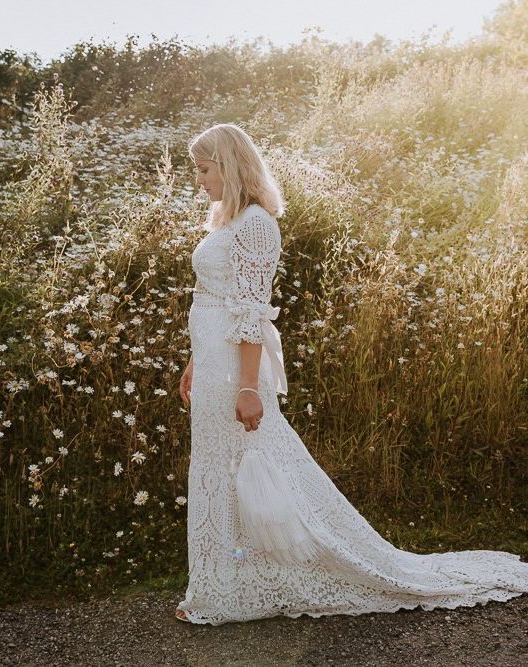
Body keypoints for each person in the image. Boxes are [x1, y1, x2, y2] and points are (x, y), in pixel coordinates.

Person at [173, 122, 528, 626]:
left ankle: (240, 587)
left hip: (235, 371)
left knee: (251, 464)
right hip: (212, 362)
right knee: (218, 469)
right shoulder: (225, 223)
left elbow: (252, 312)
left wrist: (249, 387)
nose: (199, 180)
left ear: (228, 167)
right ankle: (225, 585)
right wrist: (194, 361)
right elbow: (216, 301)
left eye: (204, 169)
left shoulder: (255, 223)